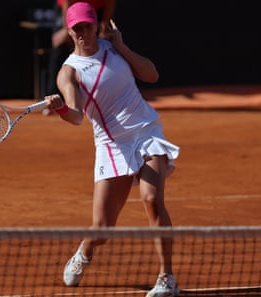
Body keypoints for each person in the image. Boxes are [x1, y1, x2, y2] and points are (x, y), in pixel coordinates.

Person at [44, 2, 180, 297]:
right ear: (69, 31)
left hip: (145, 131)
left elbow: (152, 75)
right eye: (77, 28)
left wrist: (123, 46)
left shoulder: (113, 48)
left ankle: (167, 278)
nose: (83, 33)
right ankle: (86, 249)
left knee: (152, 198)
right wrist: (61, 110)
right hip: (111, 144)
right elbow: (77, 116)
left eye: (87, 27)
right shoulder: (69, 73)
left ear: (96, 26)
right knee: (103, 228)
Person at [44, 0, 116, 105]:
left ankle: (103, 95)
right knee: (61, 45)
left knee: (104, 45)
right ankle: (52, 99)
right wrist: (66, 30)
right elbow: (67, 4)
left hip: (96, 10)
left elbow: (110, 3)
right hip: (69, 9)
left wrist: (104, 27)